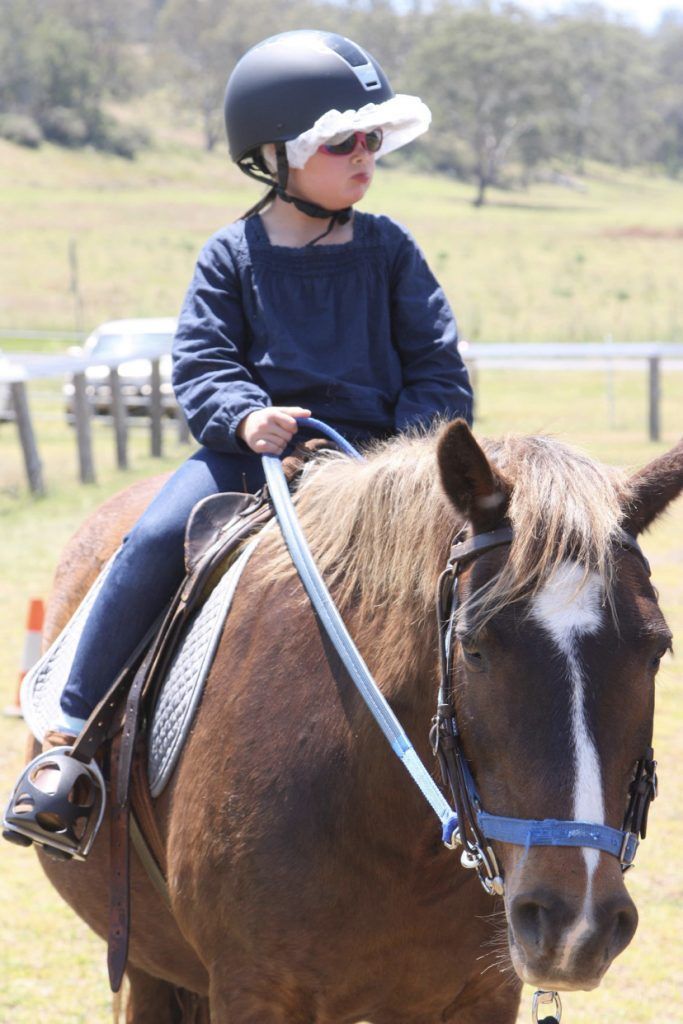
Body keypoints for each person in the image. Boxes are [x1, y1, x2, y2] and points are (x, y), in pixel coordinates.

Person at [3, 29, 472, 855]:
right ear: (276, 154)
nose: (366, 156)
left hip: (378, 467)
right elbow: (203, 360)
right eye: (343, 141)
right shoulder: (231, 255)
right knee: (150, 538)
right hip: (247, 455)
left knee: (486, 569)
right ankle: (67, 743)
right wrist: (245, 415)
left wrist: (403, 452)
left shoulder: (391, 251)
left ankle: (481, 758)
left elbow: (437, 368)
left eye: (374, 139)